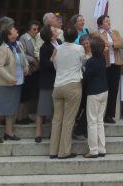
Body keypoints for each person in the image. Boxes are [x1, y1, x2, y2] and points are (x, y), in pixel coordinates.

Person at [50, 26, 86, 159]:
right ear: (76, 36)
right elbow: (84, 61)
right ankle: (64, 151)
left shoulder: (57, 49)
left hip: (58, 84)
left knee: (57, 119)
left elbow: (55, 65)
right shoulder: (79, 48)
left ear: (64, 36)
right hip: (72, 84)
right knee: (69, 120)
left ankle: (53, 150)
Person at [0, 23, 29, 143]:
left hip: (18, 81)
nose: (16, 30)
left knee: (12, 109)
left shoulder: (18, 44)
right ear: (8, 35)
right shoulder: (3, 48)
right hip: (5, 83)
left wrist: (26, 66)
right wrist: (9, 77)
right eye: (13, 30)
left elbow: (23, 57)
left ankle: (9, 132)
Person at [83, 36, 109, 159]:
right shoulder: (102, 58)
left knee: (92, 122)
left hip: (94, 92)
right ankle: (102, 148)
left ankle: (93, 150)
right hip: (104, 90)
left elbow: (86, 78)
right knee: (99, 121)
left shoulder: (91, 61)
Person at [35, 25, 61, 143]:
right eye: (53, 30)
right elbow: (45, 65)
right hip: (47, 80)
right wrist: (54, 55)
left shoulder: (59, 41)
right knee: (43, 108)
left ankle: (53, 131)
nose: (56, 30)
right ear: (49, 35)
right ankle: (38, 132)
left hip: (58, 79)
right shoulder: (45, 47)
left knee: (54, 108)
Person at [97, 15, 123, 123]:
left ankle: (109, 115)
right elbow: (101, 45)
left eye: (109, 21)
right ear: (100, 24)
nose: (109, 23)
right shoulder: (97, 34)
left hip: (116, 63)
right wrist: (108, 44)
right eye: (106, 21)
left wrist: (112, 44)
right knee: (104, 90)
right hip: (105, 64)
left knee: (114, 90)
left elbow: (122, 43)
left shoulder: (115, 32)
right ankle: (100, 114)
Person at [17, 20, 40, 124]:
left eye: (37, 29)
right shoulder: (23, 38)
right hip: (26, 70)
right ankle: (20, 117)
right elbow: (22, 53)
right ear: (28, 29)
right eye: (34, 29)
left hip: (34, 70)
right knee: (24, 95)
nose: (36, 31)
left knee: (29, 95)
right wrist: (33, 60)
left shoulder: (37, 38)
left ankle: (25, 116)